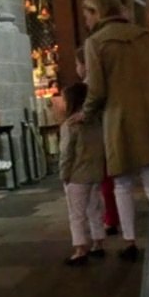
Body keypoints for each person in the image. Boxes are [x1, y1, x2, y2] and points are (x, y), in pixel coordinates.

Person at [69, 0, 149, 261]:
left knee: (122, 183)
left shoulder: (96, 42)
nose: (86, 21)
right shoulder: (144, 36)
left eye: (87, 14)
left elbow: (97, 90)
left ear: (97, 12)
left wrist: (85, 114)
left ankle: (130, 241)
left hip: (118, 118)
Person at [57, 82, 107, 266]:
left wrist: (64, 174)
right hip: (95, 172)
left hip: (77, 175)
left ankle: (80, 249)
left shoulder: (70, 125)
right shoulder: (96, 122)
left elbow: (66, 153)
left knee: (76, 214)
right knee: (94, 209)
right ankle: (98, 242)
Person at [74, 46, 119, 236]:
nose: (76, 68)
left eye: (77, 64)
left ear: (85, 65)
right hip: (106, 134)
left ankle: (110, 219)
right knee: (108, 183)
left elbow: (93, 106)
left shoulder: (91, 85)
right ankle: (109, 217)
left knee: (105, 183)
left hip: (99, 137)